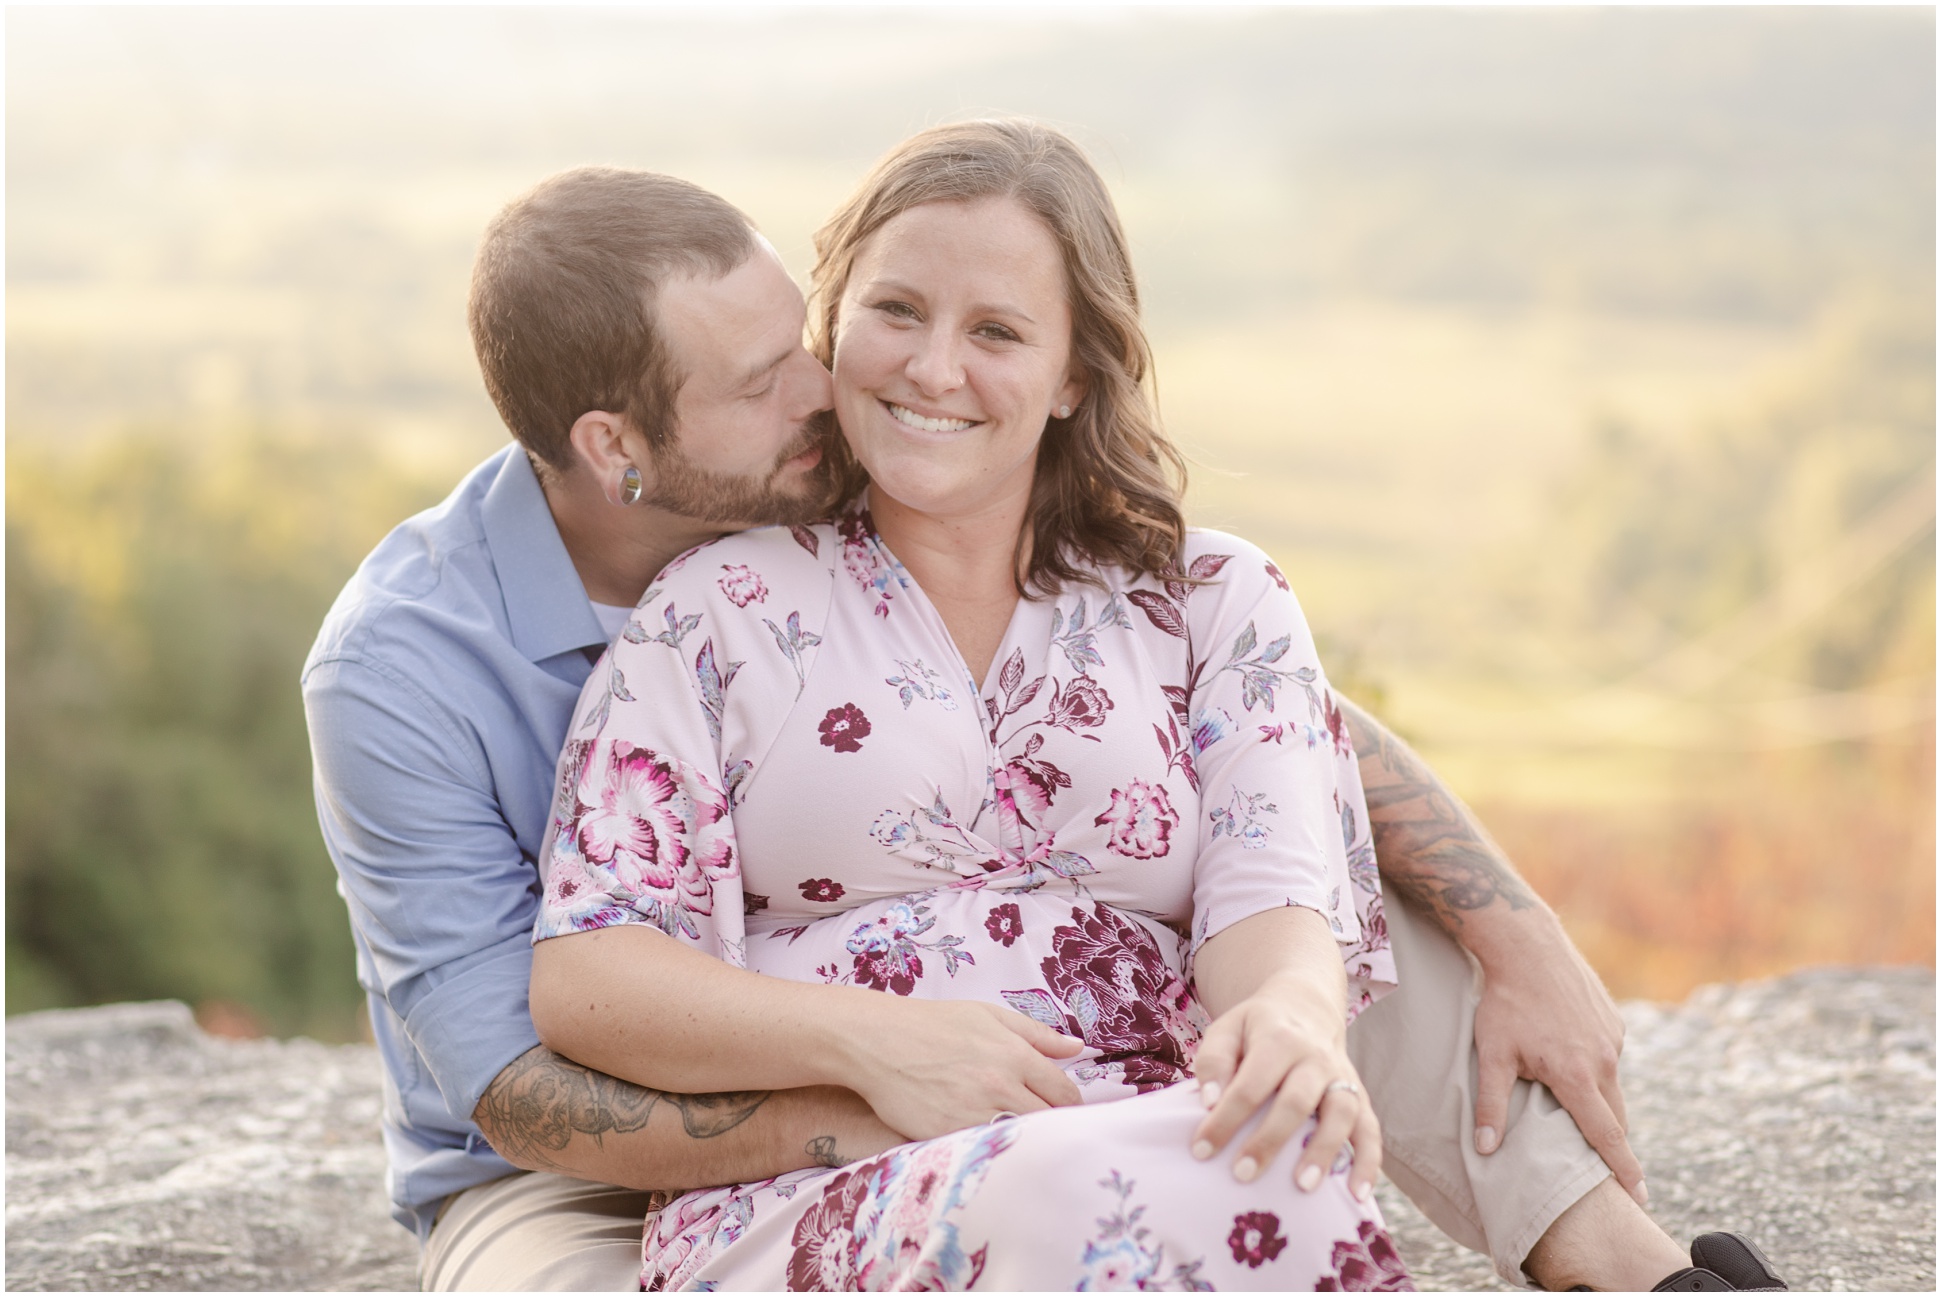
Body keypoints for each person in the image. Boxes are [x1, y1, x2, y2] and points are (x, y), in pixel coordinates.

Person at [303, 136, 1780, 1292]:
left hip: (1119, 1093)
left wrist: (1511, 925)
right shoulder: (451, 657)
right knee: (1126, 1178)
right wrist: (877, 1074)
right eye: (784, 371)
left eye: (992, 331)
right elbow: (519, 1068)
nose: (851, 383)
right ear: (618, 451)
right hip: (610, 1156)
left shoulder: (1171, 584)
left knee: (1304, 987)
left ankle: (1629, 1265)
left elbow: (1284, 750)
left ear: (1076, 367)